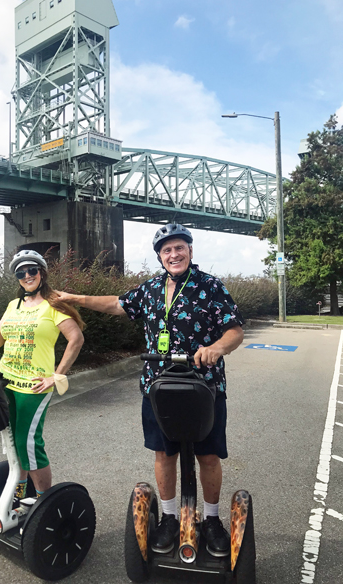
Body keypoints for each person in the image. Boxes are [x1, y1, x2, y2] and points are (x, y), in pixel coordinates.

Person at [56, 223, 244, 557]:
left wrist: (217, 348)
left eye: (179, 248)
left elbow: (234, 331)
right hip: (159, 388)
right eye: (167, 250)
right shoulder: (152, 288)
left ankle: (213, 520)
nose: (174, 254)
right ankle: (170, 516)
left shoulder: (210, 286)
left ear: (190, 250)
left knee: (208, 455)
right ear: (160, 256)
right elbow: (116, 304)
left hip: (205, 387)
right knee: (164, 453)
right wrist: (74, 299)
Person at [0, 249, 85, 505]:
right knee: (14, 440)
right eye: (21, 272)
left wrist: (56, 376)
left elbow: (76, 339)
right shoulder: (13, 305)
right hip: (5, 382)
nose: (27, 276)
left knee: (29, 444)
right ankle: (20, 489)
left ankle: (42, 502)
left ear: (42, 273)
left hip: (34, 387)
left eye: (32, 270)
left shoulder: (54, 304)